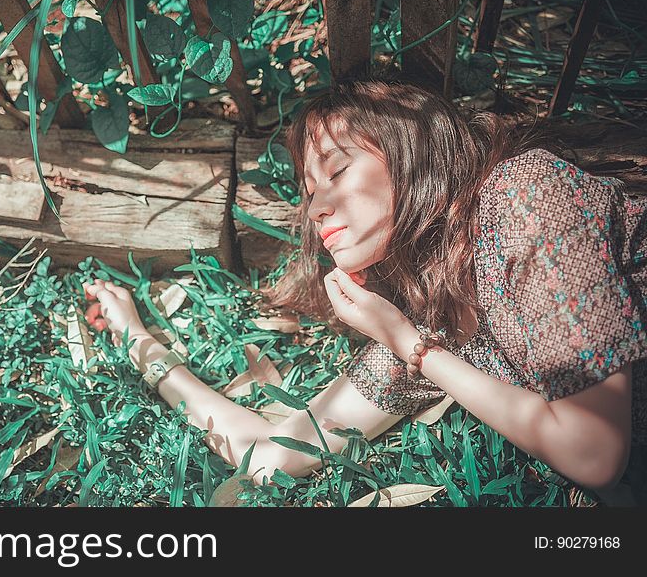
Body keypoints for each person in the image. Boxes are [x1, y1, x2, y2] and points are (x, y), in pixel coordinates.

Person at [83, 79, 647, 506]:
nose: (317, 208)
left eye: (337, 172)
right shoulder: (440, 305)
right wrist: (138, 338)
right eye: (308, 191)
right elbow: (269, 455)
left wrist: (413, 348)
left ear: (411, 153)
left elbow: (593, 454)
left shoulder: (529, 195)